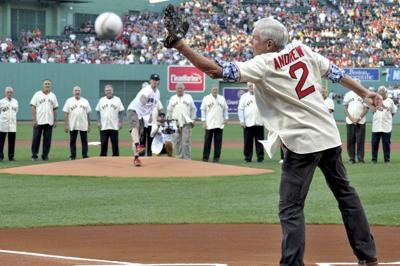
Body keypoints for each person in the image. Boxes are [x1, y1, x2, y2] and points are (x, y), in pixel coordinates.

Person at [164, 9, 379, 265]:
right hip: (329, 136)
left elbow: (213, 71)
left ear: (268, 43)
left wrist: (179, 44)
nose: (250, 42)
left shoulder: (263, 64)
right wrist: (365, 92)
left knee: (290, 208)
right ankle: (368, 257)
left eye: (254, 38)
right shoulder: (303, 49)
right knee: (346, 195)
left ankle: (291, 263)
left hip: (302, 144)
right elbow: (335, 73)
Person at [127, 74, 161, 166]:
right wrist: (144, 100)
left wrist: (150, 116)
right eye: (153, 79)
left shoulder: (157, 93)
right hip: (133, 110)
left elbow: (153, 106)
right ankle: (138, 146)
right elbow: (143, 98)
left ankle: (136, 158)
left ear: (159, 82)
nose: (155, 81)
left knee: (138, 135)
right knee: (136, 127)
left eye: (156, 80)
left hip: (142, 115)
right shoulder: (147, 89)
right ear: (150, 81)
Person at [30, 79, 58, 161]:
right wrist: (34, 120)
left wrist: (55, 120)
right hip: (39, 121)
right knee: (36, 139)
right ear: (43, 85)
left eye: (49, 84)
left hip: (49, 121)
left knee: (47, 139)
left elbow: (55, 109)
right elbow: (33, 107)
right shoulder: (37, 94)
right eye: (46, 84)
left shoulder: (53, 95)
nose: (47, 85)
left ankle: (45, 155)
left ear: (50, 85)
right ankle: (34, 155)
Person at [167, 82, 196, 160]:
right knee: (176, 141)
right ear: (175, 89)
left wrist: (193, 119)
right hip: (175, 123)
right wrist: (168, 123)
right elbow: (169, 111)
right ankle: (178, 157)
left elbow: (193, 109)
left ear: (184, 89)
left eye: (181, 88)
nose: (179, 90)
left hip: (186, 123)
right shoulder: (172, 98)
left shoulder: (189, 97)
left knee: (186, 142)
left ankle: (187, 158)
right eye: (178, 88)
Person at [200, 85, 228, 162]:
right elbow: (203, 110)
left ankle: (216, 158)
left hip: (219, 123)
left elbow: (225, 109)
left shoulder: (222, 98)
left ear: (217, 90)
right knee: (207, 142)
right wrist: (203, 121)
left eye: (216, 89)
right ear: (211, 90)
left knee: (218, 142)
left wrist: (226, 118)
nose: (215, 91)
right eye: (213, 89)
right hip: (209, 124)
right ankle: (205, 158)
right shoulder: (206, 98)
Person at [63, 86, 92, 160]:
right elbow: (66, 113)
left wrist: (89, 125)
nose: (77, 92)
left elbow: (88, 114)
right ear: (73, 92)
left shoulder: (85, 101)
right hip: (73, 124)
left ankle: (85, 155)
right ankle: (73, 156)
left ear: (80, 92)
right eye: (75, 90)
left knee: (84, 141)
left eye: (78, 90)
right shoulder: (69, 101)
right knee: (72, 141)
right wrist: (66, 125)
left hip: (83, 124)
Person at [238, 82, 264, 163]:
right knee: (247, 142)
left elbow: (265, 108)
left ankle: (260, 158)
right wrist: (242, 121)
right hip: (248, 123)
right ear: (247, 87)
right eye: (250, 86)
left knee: (260, 142)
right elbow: (240, 109)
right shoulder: (244, 97)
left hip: (259, 122)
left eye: (253, 86)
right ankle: (247, 158)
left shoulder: (260, 95)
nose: (251, 87)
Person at [95, 85, 124, 157]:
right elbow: (98, 111)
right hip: (104, 126)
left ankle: (116, 157)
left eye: (110, 90)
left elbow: (121, 111)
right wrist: (98, 121)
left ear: (112, 91)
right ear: (105, 92)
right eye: (107, 90)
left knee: (115, 144)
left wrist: (120, 122)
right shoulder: (101, 100)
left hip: (114, 126)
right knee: (103, 143)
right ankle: (102, 158)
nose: (108, 91)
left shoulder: (117, 99)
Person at [343, 82, 369, 163]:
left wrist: (358, 118)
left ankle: (360, 158)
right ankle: (351, 158)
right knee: (350, 140)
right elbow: (345, 108)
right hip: (350, 122)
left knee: (360, 140)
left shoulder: (364, 95)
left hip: (361, 122)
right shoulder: (348, 94)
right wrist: (351, 119)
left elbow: (366, 108)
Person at [371, 86, 397, 163]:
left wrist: (388, 119)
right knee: (374, 143)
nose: (382, 94)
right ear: (378, 93)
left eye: (383, 92)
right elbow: (372, 111)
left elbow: (393, 112)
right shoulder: (375, 100)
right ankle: (374, 160)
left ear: (386, 93)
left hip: (386, 126)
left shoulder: (390, 101)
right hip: (376, 126)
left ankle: (387, 160)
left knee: (386, 144)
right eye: (380, 92)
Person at [0, 87, 18, 161]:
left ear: (12, 93)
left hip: (12, 124)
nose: (9, 93)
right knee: (1, 141)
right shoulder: (1, 101)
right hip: (3, 123)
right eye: (8, 92)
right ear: (5, 93)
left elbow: (16, 111)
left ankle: (11, 156)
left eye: (11, 92)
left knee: (12, 141)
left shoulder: (15, 101)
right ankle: (0, 156)